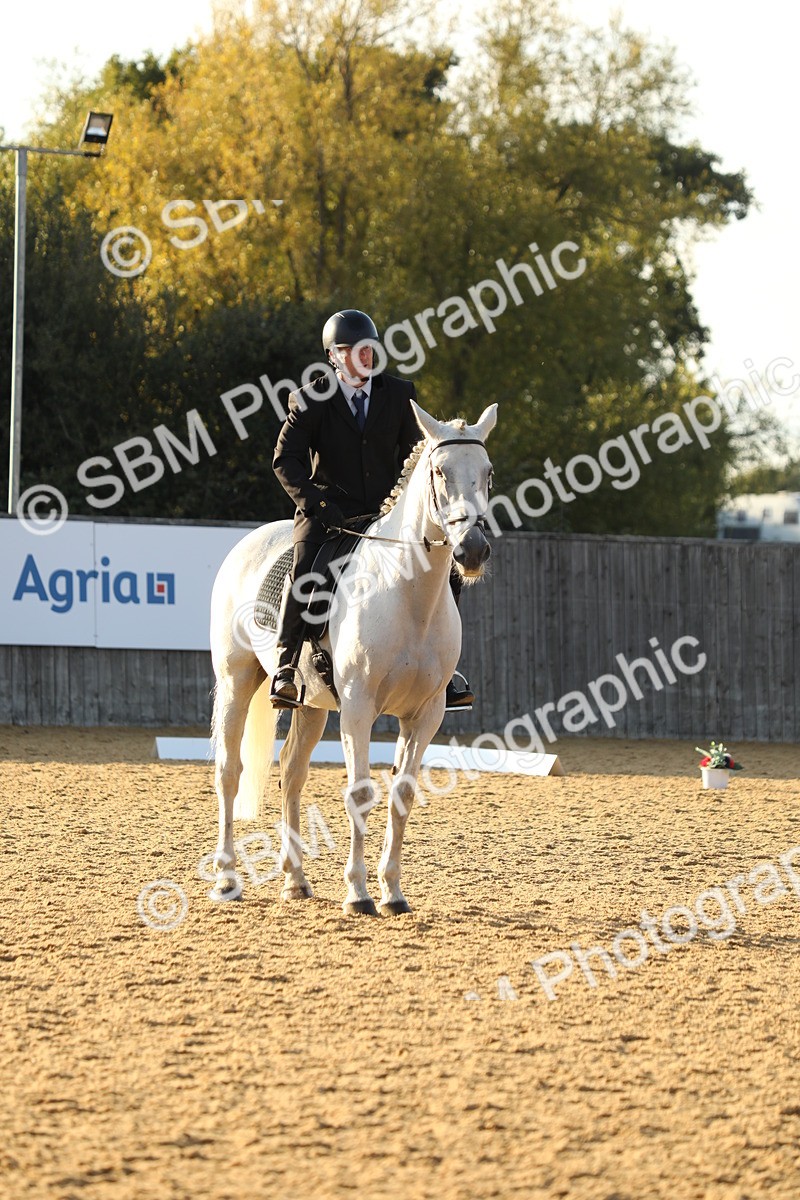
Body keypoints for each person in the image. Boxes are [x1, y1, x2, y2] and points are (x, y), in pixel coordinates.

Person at [269, 308, 475, 711]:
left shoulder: (399, 394)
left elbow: (414, 458)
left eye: (370, 348)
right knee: (305, 566)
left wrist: (407, 505)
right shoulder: (311, 399)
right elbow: (285, 461)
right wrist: (318, 504)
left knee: (444, 564)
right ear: (333, 356)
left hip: (387, 514)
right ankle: (286, 663)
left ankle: (445, 675)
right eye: (354, 350)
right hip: (330, 516)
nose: (365, 356)